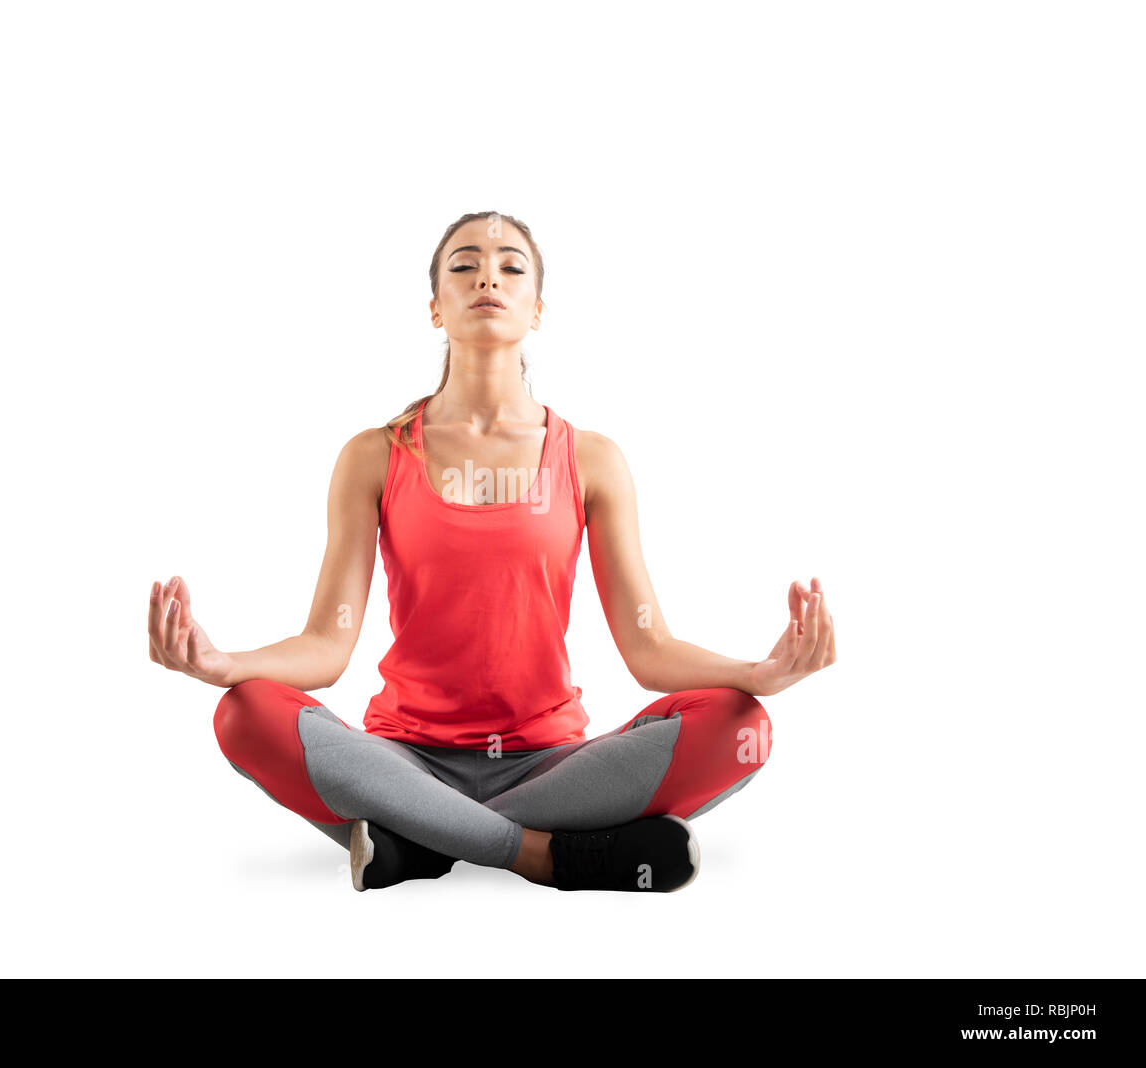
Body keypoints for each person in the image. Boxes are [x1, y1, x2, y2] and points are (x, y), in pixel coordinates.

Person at [146, 211, 836, 893]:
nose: (488, 278)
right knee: (244, 713)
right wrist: (223, 663)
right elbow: (327, 645)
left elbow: (648, 649)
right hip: (400, 760)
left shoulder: (591, 459)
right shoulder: (374, 456)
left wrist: (760, 670)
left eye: (512, 268)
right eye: (464, 264)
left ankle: (416, 842)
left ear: (537, 309)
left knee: (740, 725)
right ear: (434, 307)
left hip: (554, 768)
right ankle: (542, 854)